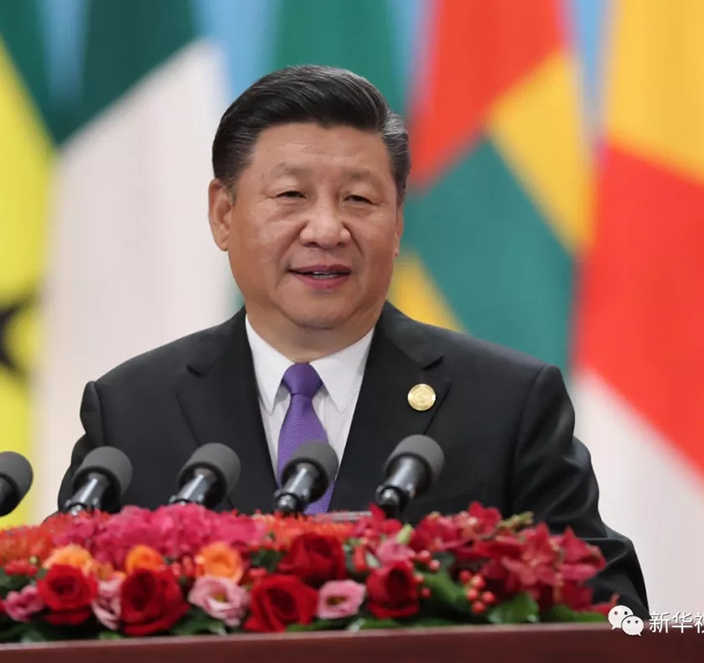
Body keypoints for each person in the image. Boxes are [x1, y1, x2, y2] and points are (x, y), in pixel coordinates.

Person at [58, 65, 647, 615]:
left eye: (359, 200)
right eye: (291, 196)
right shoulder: (132, 412)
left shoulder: (505, 404)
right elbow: (64, 606)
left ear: (398, 222)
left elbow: (609, 608)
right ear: (223, 214)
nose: (326, 230)